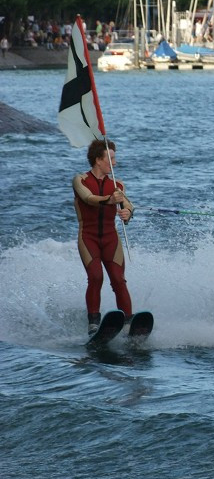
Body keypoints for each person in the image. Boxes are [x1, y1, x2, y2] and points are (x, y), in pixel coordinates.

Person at [73, 139, 134, 333]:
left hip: (110, 238)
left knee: (118, 279)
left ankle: (128, 321)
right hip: (88, 237)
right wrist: (110, 200)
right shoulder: (80, 180)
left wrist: (127, 214)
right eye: (111, 159)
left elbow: (128, 205)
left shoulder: (118, 185)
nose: (115, 163)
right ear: (98, 160)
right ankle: (93, 322)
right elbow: (88, 199)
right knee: (96, 277)